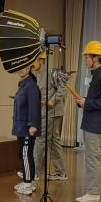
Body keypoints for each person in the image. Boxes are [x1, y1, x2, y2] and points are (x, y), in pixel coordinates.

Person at [75, 41, 101, 202]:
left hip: (96, 122)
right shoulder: (98, 74)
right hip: (93, 120)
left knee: (92, 158)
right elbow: (98, 98)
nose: (85, 60)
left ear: (96, 58)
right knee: (96, 156)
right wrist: (84, 101)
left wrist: (87, 103)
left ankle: (93, 192)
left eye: (87, 57)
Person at [32, 52, 68, 182]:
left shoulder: (51, 73)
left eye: (34, 60)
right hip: (44, 112)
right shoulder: (36, 75)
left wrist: (53, 99)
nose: (32, 63)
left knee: (40, 140)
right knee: (53, 142)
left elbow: (63, 88)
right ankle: (61, 172)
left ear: (41, 61)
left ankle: (34, 172)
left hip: (52, 112)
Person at [12, 62, 41, 196]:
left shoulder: (31, 86)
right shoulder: (23, 85)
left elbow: (34, 107)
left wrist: (33, 125)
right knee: (23, 153)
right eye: (19, 67)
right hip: (21, 126)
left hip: (27, 127)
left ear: (29, 68)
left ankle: (28, 183)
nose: (20, 70)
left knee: (25, 154)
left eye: (23, 67)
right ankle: (28, 181)